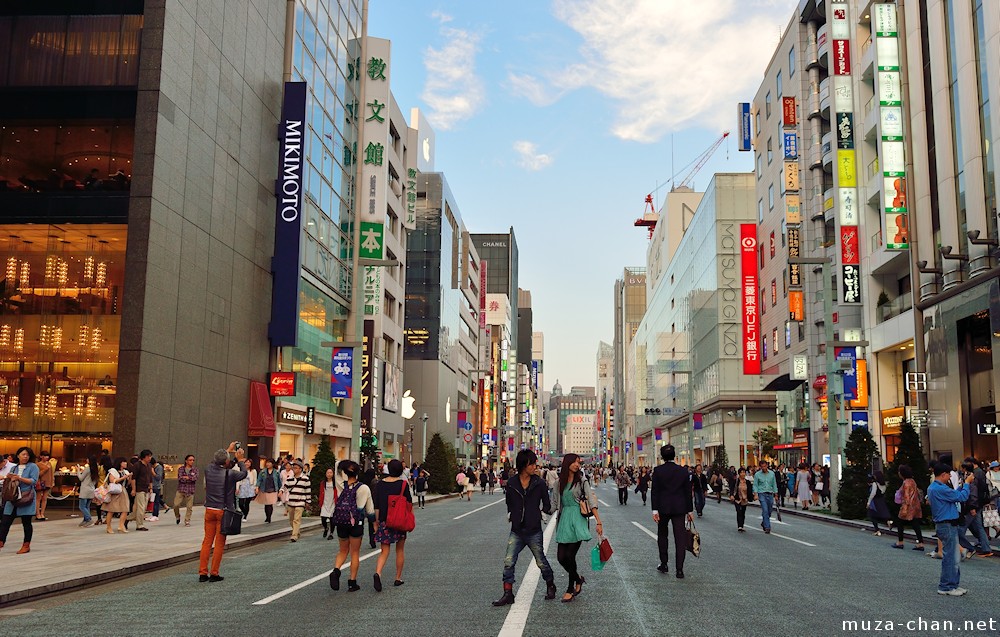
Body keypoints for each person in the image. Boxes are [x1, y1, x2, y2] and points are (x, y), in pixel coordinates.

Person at [492, 449, 556, 607]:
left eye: (535, 464)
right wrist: (512, 514)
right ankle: (508, 593)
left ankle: (550, 585)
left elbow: (546, 503)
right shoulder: (512, 483)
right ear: (523, 465)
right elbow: (509, 502)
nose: (535, 467)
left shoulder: (539, 483)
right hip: (517, 530)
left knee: (540, 561)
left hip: (533, 529)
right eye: (531, 464)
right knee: (509, 561)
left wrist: (541, 512)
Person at [552, 453, 602, 603]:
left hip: (578, 519)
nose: (577, 465)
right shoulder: (558, 482)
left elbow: (591, 500)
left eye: (578, 462)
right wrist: (539, 511)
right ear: (567, 463)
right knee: (561, 557)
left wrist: (598, 522)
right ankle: (578, 579)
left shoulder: (581, 481)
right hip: (564, 520)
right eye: (574, 462)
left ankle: (570, 589)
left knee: (570, 556)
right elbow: (554, 504)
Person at [199, 442, 247, 582]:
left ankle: (202, 572)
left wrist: (228, 450)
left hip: (209, 509)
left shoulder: (208, 469)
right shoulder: (230, 474)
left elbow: (217, 462)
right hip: (223, 510)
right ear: (226, 461)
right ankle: (214, 573)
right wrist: (240, 460)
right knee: (219, 543)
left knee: (207, 542)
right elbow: (243, 474)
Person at [927, 463, 975, 595]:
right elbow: (961, 497)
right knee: (951, 557)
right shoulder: (940, 489)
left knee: (952, 556)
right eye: (948, 474)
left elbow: (954, 495)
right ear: (943, 475)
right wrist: (967, 484)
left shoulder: (934, 487)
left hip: (945, 524)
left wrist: (962, 486)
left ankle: (952, 585)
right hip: (947, 524)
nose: (950, 477)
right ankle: (946, 587)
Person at [330, 460, 374, 592]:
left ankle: (336, 570)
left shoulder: (340, 485)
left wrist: (342, 463)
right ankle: (352, 582)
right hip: (356, 523)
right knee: (355, 553)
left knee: (343, 550)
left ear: (345, 472)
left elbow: (337, 468)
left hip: (341, 522)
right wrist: (374, 524)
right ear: (358, 473)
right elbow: (370, 510)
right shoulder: (364, 488)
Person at [651, 444, 694, 578]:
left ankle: (664, 563)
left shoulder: (658, 471)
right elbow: (688, 492)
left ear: (662, 457)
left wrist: (655, 510)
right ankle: (679, 570)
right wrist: (690, 511)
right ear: (674, 456)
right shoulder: (683, 471)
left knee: (662, 535)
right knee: (680, 538)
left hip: (663, 508)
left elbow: (655, 491)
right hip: (679, 508)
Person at [371, 459, 413, 591]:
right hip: (399, 521)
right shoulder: (403, 484)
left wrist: (376, 522)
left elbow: (376, 505)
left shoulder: (380, 484)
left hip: (384, 521)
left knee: (384, 551)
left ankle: (378, 572)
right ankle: (398, 578)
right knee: (399, 550)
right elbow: (409, 503)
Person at [0, 447, 39, 553]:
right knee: (5, 520)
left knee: (26, 522)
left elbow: (33, 481)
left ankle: (26, 545)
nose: (25, 457)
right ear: (18, 455)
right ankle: (1, 541)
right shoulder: (14, 467)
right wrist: (9, 477)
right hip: (13, 496)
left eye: (27, 455)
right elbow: (10, 481)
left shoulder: (33, 466)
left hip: (26, 496)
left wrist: (19, 478)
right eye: (23, 454)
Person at [890, 465, 925, 551]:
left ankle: (900, 542)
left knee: (900, 523)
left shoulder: (906, 483)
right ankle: (920, 543)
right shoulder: (912, 481)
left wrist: (904, 508)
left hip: (908, 506)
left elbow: (906, 496)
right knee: (915, 524)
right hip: (915, 506)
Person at [102, 457, 132, 534]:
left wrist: (129, 478)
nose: (125, 463)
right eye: (124, 462)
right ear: (120, 463)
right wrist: (123, 477)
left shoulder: (125, 471)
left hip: (123, 490)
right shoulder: (113, 471)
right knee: (111, 510)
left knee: (125, 509)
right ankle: (108, 527)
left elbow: (128, 483)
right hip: (114, 491)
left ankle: (121, 526)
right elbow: (112, 481)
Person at [284, 460, 311, 542]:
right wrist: (281, 491)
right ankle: (297, 532)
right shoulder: (290, 478)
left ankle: (294, 535)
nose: (294, 469)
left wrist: (308, 502)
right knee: (291, 520)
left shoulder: (305, 479)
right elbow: (285, 487)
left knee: (297, 519)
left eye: (296, 468)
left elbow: (308, 491)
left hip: (300, 502)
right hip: (291, 501)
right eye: (293, 468)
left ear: (300, 469)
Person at [130, 449, 153, 531]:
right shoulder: (137, 465)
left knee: (139, 508)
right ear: (143, 457)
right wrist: (133, 489)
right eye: (148, 456)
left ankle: (127, 519)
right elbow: (133, 478)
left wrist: (151, 488)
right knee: (141, 507)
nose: (149, 458)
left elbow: (150, 478)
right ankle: (139, 525)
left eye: (150, 456)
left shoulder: (149, 465)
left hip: (146, 489)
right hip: (139, 489)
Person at [753, 460, 777, 534]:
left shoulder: (772, 474)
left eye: (765, 466)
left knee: (770, 510)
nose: (763, 468)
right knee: (765, 510)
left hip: (770, 493)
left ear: (767, 465)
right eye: (762, 467)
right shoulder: (757, 474)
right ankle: (767, 527)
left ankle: (764, 522)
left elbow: (774, 484)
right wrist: (755, 494)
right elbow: (755, 485)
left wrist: (776, 494)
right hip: (762, 493)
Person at [254, 458, 281, 524]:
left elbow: (279, 481)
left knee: (270, 504)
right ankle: (267, 516)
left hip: (273, 490)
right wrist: (257, 487)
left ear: (273, 464)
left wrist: (280, 490)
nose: (268, 464)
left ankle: (269, 517)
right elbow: (259, 480)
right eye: (267, 462)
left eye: (269, 462)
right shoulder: (263, 472)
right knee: (266, 504)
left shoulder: (276, 472)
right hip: (265, 489)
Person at [174, 454, 198, 526]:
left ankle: (187, 520)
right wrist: (189, 478)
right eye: (190, 460)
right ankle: (177, 516)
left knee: (189, 507)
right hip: (181, 489)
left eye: (193, 460)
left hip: (190, 490)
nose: (192, 461)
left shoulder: (195, 469)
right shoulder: (181, 469)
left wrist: (188, 478)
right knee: (176, 505)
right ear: (186, 461)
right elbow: (180, 478)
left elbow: (195, 478)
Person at [866, 470, 891, 535]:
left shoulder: (875, 484)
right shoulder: (884, 484)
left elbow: (873, 493)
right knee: (882, 513)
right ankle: (888, 521)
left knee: (872, 515)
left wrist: (868, 502)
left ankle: (877, 530)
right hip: (881, 500)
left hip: (875, 501)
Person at [77, 456, 99, 527]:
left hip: (85, 490)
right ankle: (85, 520)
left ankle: (89, 519)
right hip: (91, 489)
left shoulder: (88, 469)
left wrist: (78, 470)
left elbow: (81, 478)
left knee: (82, 506)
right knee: (87, 506)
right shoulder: (96, 469)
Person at [730, 467, 753, 532]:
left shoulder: (747, 482)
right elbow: (732, 488)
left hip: (744, 499)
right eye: (741, 472)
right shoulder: (736, 481)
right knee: (739, 511)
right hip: (737, 499)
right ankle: (739, 526)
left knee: (743, 512)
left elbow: (750, 491)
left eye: (744, 472)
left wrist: (752, 497)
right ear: (739, 474)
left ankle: (742, 525)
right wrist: (731, 495)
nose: (743, 474)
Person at [319, 467, 338, 539]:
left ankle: (331, 533)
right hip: (325, 502)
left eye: (331, 473)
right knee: (323, 518)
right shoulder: (323, 483)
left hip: (333, 502)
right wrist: (320, 502)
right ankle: (326, 528)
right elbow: (321, 493)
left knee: (332, 519)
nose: (329, 474)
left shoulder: (335, 483)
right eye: (328, 473)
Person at [34, 450, 52, 521]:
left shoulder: (49, 463)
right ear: (41, 456)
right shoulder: (37, 464)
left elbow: (51, 474)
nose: (46, 457)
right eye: (45, 456)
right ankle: (37, 513)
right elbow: (38, 474)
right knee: (38, 498)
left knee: (45, 498)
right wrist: (46, 469)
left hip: (48, 482)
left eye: (47, 456)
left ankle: (42, 513)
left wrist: (52, 482)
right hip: (40, 482)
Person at [149, 457, 164, 521]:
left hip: (156, 486)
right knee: (152, 501)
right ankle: (153, 514)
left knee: (156, 501)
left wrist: (153, 472)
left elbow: (158, 477)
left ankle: (155, 515)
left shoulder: (159, 467)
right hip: (152, 486)